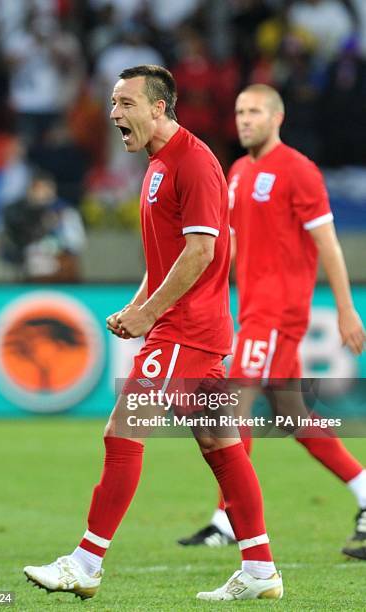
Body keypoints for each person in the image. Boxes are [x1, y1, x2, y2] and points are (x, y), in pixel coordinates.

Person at [23, 66, 284, 602]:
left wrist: (151, 317)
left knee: (122, 432)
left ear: (158, 107)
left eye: (125, 103)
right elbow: (169, 255)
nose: (115, 113)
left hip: (185, 330)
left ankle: (86, 562)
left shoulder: (194, 162)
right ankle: (261, 570)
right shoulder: (159, 164)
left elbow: (202, 250)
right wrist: (137, 305)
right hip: (190, 327)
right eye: (113, 103)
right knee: (221, 444)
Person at [178, 84, 366, 562]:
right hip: (254, 310)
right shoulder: (239, 171)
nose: (244, 119)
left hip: (278, 314)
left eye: (255, 111)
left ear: (276, 117)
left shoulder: (299, 170)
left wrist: (345, 308)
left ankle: (227, 519)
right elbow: (237, 246)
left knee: (230, 408)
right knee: (294, 418)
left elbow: (328, 244)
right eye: (240, 111)